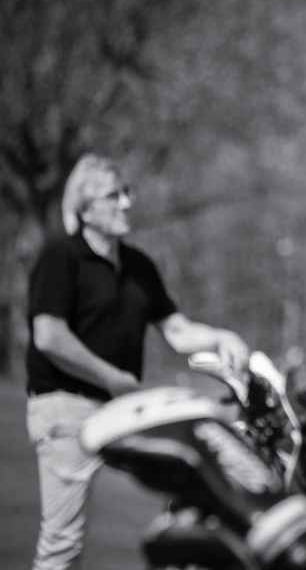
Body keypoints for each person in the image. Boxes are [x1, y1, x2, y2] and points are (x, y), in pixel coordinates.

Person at [25, 153, 250, 570]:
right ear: (85, 210)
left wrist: (222, 337)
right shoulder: (61, 257)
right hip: (65, 407)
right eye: (114, 196)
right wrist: (112, 377)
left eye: (127, 192)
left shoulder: (138, 265)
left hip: (121, 407)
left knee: (188, 492)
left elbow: (177, 331)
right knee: (63, 541)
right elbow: (49, 336)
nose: (127, 203)